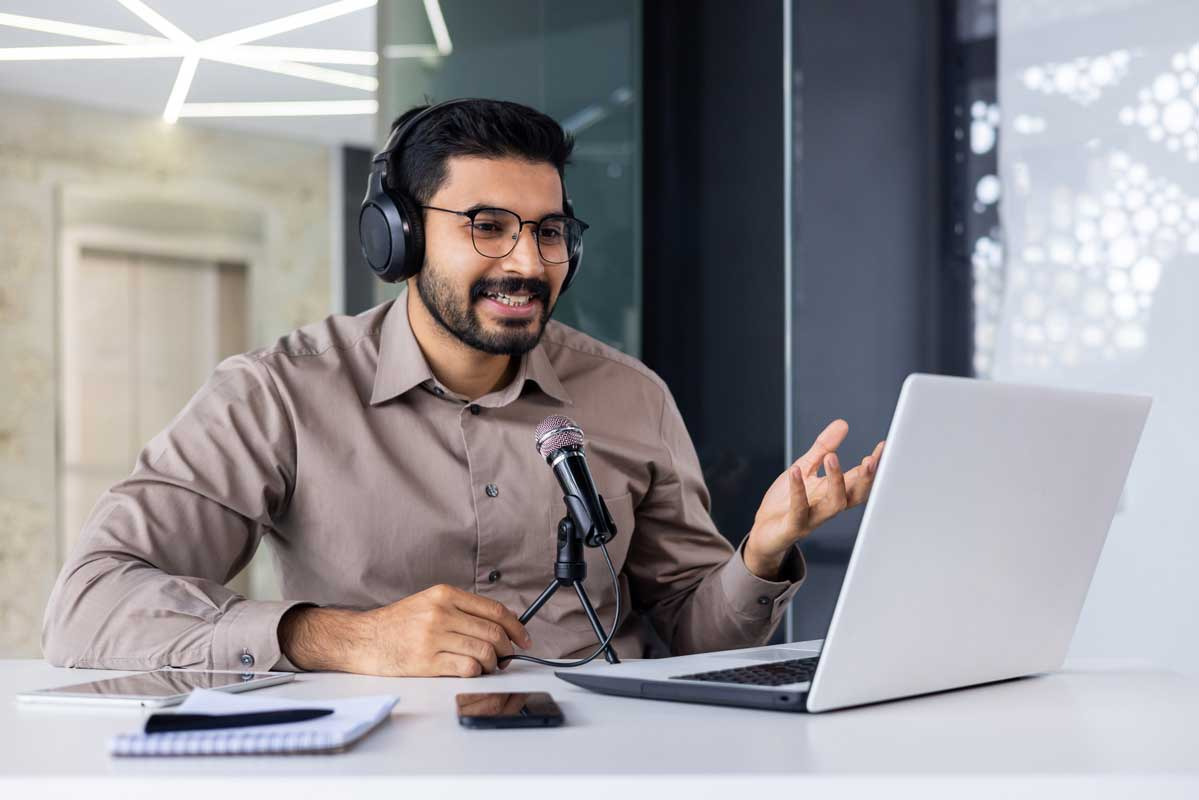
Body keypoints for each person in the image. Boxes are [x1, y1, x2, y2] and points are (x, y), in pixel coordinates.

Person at [42, 99, 884, 677]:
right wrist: (340, 638)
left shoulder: (630, 397)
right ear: (398, 237)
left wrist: (761, 551)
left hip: (609, 769)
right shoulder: (279, 393)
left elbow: (695, 628)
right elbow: (89, 604)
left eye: (549, 231)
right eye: (486, 227)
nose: (526, 262)